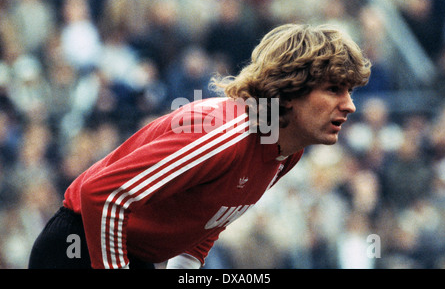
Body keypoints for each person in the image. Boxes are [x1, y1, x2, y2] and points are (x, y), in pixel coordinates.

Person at [28, 23, 371, 269]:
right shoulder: (227, 134)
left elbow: (205, 224)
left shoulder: (287, 150)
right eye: (334, 90)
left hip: (130, 254)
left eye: (350, 91)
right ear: (291, 91)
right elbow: (102, 195)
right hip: (78, 247)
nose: (349, 105)